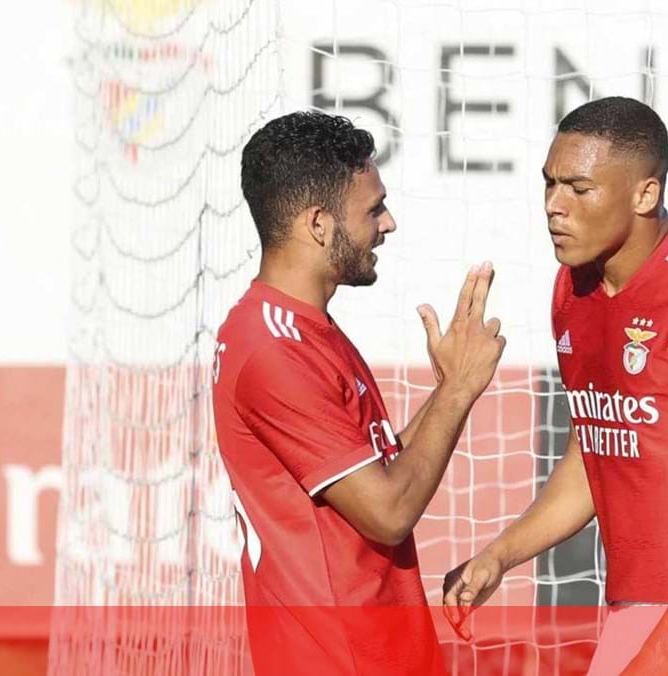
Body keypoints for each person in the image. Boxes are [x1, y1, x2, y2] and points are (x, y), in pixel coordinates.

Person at [442, 97, 668, 675]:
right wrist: (500, 556)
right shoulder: (571, 290)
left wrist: (664, 649)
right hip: (636, 611)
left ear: (645, 194)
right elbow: (596, 454)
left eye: (579, 189)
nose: (554, 207)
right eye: (549, 185)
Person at [212, 110, 505, 674]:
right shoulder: (275, 349)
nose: (388, 223)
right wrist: (459, 392)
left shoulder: (299, 327)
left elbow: (378, 475)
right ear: (319, 223)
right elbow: (388, 512)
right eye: (373, 208)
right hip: (342, 659)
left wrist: (447, 388)